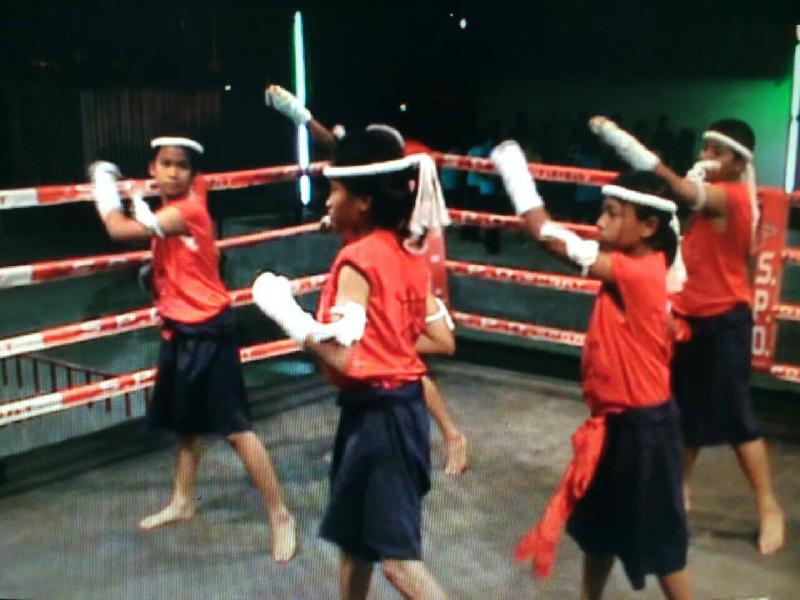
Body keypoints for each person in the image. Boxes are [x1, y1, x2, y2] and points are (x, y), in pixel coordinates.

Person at [252, 127, 454, 599]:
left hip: (380, 420)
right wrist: (390, 342)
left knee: (398, 563)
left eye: (335, 190)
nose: (326, 201)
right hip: (395, 413)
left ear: (362, 201)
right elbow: (442, 338)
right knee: (354, 543)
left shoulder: (357, 260)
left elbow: (345, 358)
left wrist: (288, 316)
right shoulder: (407, 252)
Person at [492, 140, 691, 598]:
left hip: (643, 430)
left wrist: (514, 172)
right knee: (598, 532)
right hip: (619, 426)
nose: (600, 222)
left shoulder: (639, 272)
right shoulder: (642, 263)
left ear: (649, 226)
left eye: (613, 213)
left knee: (661, 544)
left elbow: (549, 238)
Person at [89, 136, 297, 562]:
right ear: (152, 167)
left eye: (181, 166)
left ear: (193, 174)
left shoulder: (188, 210)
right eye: (165, 164)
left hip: (209, 332)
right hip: (179, 330)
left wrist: (103, 184)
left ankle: (281, 516)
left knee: (237, 430)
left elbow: (118, 230)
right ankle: (183, 500)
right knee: (187, 426)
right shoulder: (173, 205)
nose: (172, 172)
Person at [591, 116, 786, 556]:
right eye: (705, 148)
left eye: (717, 152)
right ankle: (676, 496)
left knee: (738, 421)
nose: (707, 157)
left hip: (723, 323)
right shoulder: (711, 199)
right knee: (680, 416)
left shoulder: (730, 197)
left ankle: (769, 507)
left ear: (739, 163)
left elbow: (678, 189)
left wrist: (620, 139)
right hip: (689, 320)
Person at [265, 84, 468, 475]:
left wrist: (288, 316)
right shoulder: (376, 181)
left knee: (396, 358)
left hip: (400, 257)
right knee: (398, 357)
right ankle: (443, 434)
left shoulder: (395, 176)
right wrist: (299, 115)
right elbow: (338, 153)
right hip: (385, 255)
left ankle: (452, 434)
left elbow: (342, 159)